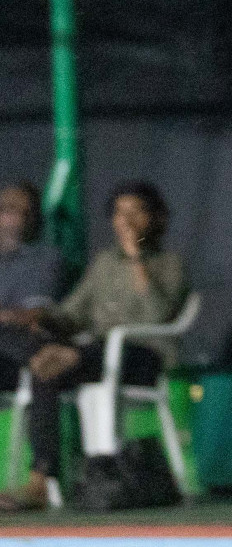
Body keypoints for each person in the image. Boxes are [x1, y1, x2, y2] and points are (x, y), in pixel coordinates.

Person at [2, 182, 186, 511]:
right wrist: (33, 317)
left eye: (135, 212)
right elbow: (72, 314)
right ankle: (40, 480)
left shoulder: (169, 264)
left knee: (67, 356)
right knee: (45, 366)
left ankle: (65, 355)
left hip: (142, 355)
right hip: (95, 355)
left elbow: (158, 315)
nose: (125, 220)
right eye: (119, 213)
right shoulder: (103, 264)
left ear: (154, 218)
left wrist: (136, 259)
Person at [0, 183, 65, 510]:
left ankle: (40, 478)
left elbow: (35, 315)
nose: (18, 219)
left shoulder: (46, 257)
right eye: (10, 209)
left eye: (27, 212)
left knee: (45, 357)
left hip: (23, 343)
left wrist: (11, 316)